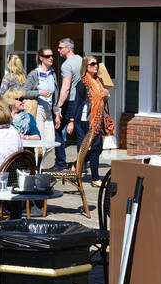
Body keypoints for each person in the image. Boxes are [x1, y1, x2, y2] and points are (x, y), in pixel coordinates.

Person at [66, 55, 111, 185]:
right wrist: (71, 121)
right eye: (92, 64)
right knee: (87, 148)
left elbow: (102, 99)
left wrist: (106, 95)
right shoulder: (82, 83)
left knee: (97, 148)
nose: (95, 66)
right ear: (86, 66)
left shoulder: (100, 81)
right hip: (84, 120)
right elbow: (77, 102)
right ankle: (95, 178)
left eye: (96, 63)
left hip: (97, 119)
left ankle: (75, 166)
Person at [23, 47, 59, 170]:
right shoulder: (35, 73)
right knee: (41, 144)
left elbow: (56, 93)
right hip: (38, 110)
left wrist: (57, 112)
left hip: (49, 112)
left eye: (52, 55)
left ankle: (36, 167)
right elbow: (24, 92)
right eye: (48, 56)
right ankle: (38, 171)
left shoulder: (52, 73)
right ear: (41, 58)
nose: (51, 58)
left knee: (51, 143)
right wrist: (39, 92)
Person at [52, 38, 83, 170]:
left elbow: (66, 87)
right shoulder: (82, 60)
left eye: (60, 48)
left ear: (68, 49)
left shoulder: (66, 65)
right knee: (81, 132)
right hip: (82, 101)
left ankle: (60, 163)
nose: (58, 50)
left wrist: (58, 106)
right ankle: (82, 164)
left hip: (71, 101)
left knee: (57, 128)